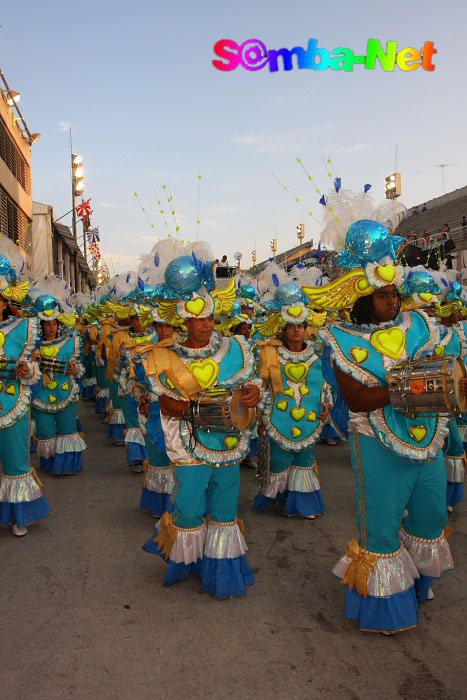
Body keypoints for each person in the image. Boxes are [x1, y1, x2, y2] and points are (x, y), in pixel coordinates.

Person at [306, 204, 455, 634]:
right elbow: (355, 399)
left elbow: (441, 371)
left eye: (395, 293)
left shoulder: (419, 327)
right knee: (382, 532)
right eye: (384, 294)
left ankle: (415, 583)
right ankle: (386, 611)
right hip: (375, 443)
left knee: (430, 520)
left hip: (425, 439)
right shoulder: (340, 339)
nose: (394, 299)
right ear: (362, 298)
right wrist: (406, 385)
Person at [141, 245, 262, 599]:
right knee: (190, 508)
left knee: (225, 511)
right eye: (199, 319)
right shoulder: (166, 356)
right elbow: (164, 402)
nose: (207, 325)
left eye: (210, 318)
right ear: (185, 320)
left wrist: (254, 393)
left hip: (226, 445)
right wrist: (196, 413)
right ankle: (188, 564)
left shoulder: (235, 350)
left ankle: (222, 571)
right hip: (189, 445)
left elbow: (247, 387)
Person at [0, 257, 51, 537]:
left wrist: (26, 369)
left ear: (6, 301)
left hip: (13, 404)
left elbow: (35, 372)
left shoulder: (23, 329)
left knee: (16, 463)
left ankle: (18, 516)